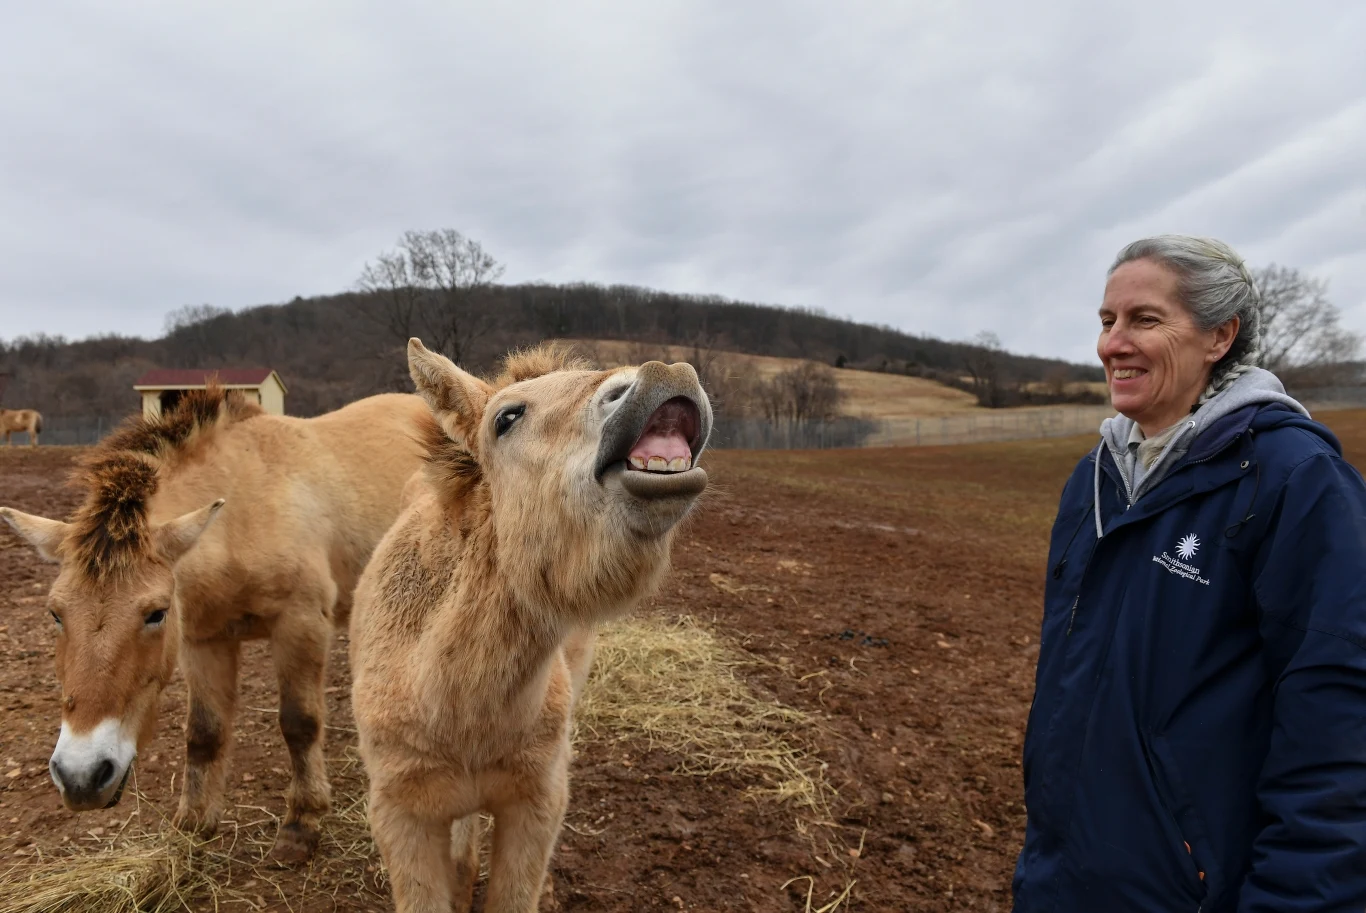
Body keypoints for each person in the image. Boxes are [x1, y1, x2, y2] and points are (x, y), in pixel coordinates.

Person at [1012, 235, 1366, 912]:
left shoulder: (1295, 481)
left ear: (1220, 337)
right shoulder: (1093, 482)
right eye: (1106, 321)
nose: (1112, 343)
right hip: (1064, 879)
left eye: (1145, 319)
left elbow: (1340, 731)